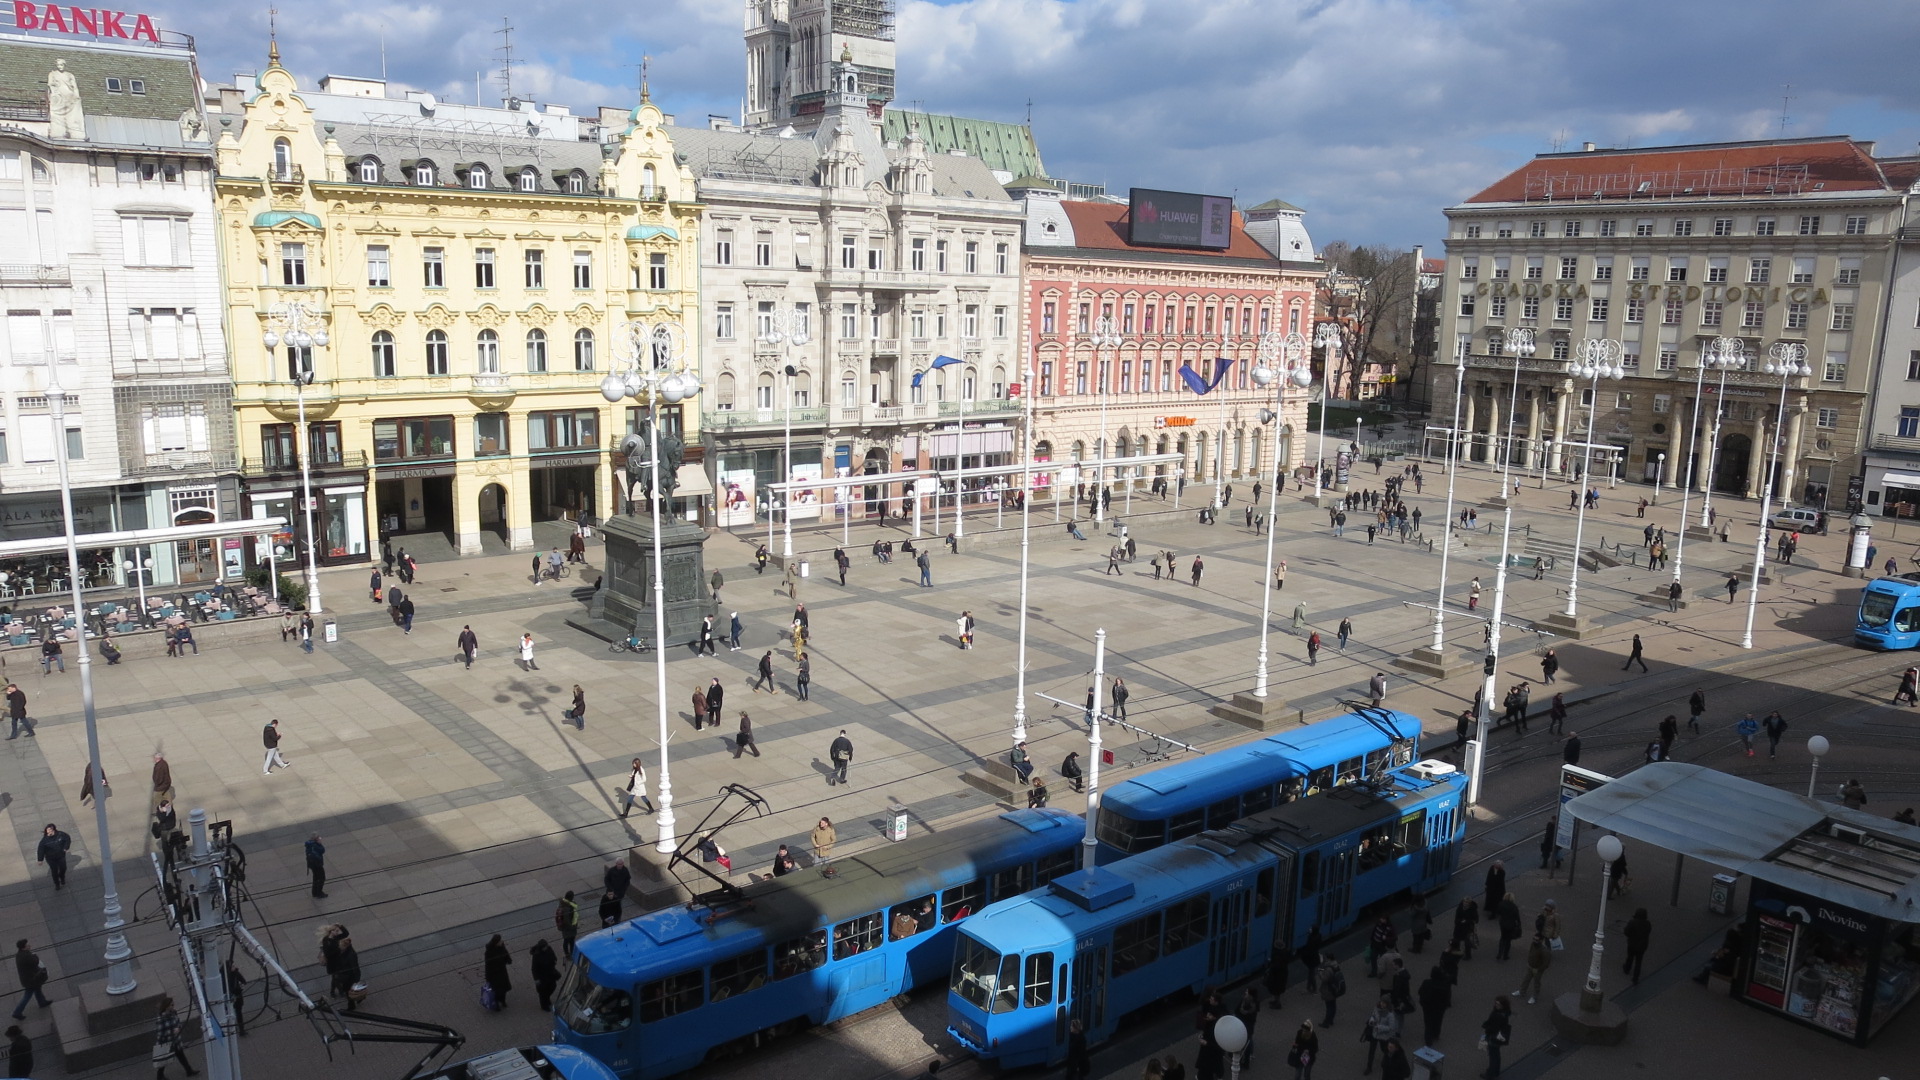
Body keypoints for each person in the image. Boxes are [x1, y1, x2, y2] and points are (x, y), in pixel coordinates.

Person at [152, 994, 197, 1078]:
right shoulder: (161, 1019)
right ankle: (160, 1075)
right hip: (167, 1043)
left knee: (181, 1057)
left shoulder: (174, 1013)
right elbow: (160, 1034)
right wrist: (173, 1032)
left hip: (176, 1041)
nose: (173, 1006)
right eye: (171, 1005)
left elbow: (178, 1023)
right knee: (164, 1060)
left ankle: (189, 1070)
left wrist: (178, 1028)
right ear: (167, 1006)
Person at [11, 940, 50, 1020]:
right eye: (27, 945)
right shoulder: (26, 956)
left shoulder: (20, 954)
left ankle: (42, 1002)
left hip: (29, 978)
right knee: (27, 995)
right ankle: (17, 1012)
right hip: (31, 979)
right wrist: (35, 955)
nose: (29, 945)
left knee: (38, 989)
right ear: (24, 947)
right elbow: (35, 962)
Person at [1364, 994, 1399, 1074]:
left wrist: (1379, 1027)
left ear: (1388, 1004)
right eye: (1381, 1002)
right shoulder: (1376, 1008)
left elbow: (1391, 1027)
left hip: (1383, 1036)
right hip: (1374, 1034)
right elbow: (1373, 1015)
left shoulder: (1390, 1014)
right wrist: (1371, 1020)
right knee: (1371, 1051)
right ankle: (1369, 1068)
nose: (1382, 1004)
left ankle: (1389, 1064)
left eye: (1384, 1003)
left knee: (1385, 1050)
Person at [1417, 965, 1451, 1046]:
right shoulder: (1444, 985)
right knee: (1438, 1021)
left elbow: (1420, 992)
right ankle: (1436, 1034)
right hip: (1439, 1008)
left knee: (1428, 1023)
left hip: (1427, 1007)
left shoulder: (1426, 982)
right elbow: (1447, 997)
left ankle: (1428, 1040)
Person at [1481, 996, 1512, 1078]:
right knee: (1496, 1055)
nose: (1496, 1005)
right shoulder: (1505, 1013)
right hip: (1499, 1038)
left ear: (1502, 1005)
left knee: (1493, 1057)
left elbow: (1492, 1027)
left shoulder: (1497, 1015)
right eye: (1496, 1003)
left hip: (1493, 1037)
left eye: (1498, 1004)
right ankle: (1495, 1071)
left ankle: (1490, 1074)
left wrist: (1486, 1026)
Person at [483, 934, 513, 1009]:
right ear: (496, 942)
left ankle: (502, 1001)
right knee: (496, 991)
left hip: (502, 972)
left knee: (503, 989)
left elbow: (506, 953)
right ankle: (496, 1004)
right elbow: (487, 966)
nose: (501, 941)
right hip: (494, 975)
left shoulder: (501, 946)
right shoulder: (489, 952)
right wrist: (488, 977)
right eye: (500, 941)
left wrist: (508, 960)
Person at [1622, 908, 1652, 984]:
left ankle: (1627, 969)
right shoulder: (1647, 924)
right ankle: (1635, 978)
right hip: (1642, 946)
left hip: (1632, 944)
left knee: (1630, 957)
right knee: (1639, 961)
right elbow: (1648, 931)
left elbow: (1626, 932)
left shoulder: (1632, 922)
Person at [530, 939, 560, 1011]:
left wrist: (554, 960)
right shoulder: (536, 955)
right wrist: (536, 979)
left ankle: (547, 998)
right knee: (543, 992)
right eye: (544, 947)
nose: (546, 948)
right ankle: (544, 1006)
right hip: (542, 976)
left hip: (550, 973)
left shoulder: (549, 949)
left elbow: (553, 955)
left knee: (552, 987)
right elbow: (534, 968)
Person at [35, 825, 68, 890]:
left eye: (50, 830)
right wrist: (40, 860)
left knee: (63, 868)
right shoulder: (44, 840)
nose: (48, 832)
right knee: (54, 871)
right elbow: (41, 850)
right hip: (51, 858)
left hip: (60, 856)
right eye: (47, 830)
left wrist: (65, 847)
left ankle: (62, 877)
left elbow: (67, 839)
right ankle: (57, 884)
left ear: (54, 830)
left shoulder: (60, 835)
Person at [1316, 955, 1343, 1027]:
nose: (1325, 961)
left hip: (1328, 990)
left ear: (1329, 960)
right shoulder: (1335, 966)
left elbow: (1324, 979)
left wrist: (1320, 973)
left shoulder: (1329, 969)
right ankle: (1331, 1020)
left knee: (1329, 1007)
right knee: (1333, 1006)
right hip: (1334, 989)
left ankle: (1326, 1023)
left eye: (1326, 959)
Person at [1496, 893, 1522, 961]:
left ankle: (1499, 953)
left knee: (1502, 938)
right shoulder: (1514, 907)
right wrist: (1519, 924)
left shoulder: (1501, 904)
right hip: (1511, 925)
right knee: (1508, 940)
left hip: (1503, 924)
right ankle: (1505, 955)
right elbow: (1517, 917)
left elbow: (1498, 912)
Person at [554, 892, 579, 958]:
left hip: (570, 926)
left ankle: (570, 953)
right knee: (568, 940)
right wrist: (572, 927)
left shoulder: (567, 903)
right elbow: (566, 920)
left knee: (569, 940)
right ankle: (568, 954)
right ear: (570, 897)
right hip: (568, 927)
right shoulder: (566, 907)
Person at [304, 832, 327, 898]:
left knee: (316, 877)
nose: (320, 838)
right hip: (317, 864)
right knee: (321, 878)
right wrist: (320, 844)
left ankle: (314, 892)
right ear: (316, 839)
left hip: (312, 864)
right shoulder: (316, 846)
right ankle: (319, 893)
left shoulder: (309, 845)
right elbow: (322, 850)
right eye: (319, 837)